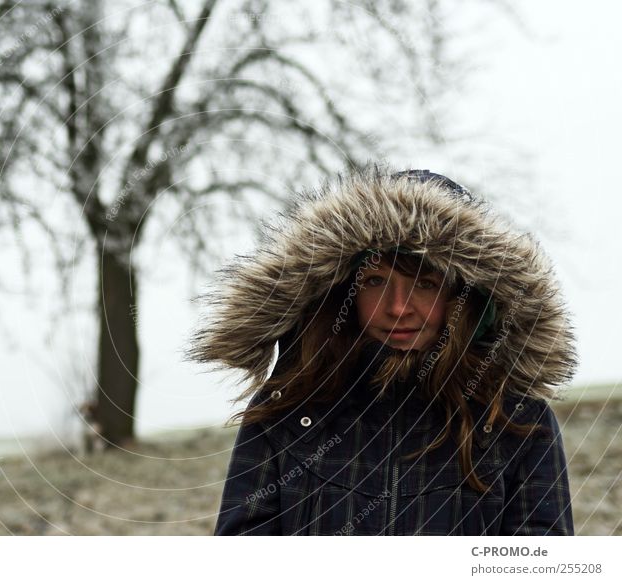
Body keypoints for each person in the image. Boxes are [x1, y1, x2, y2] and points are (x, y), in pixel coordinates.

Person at [187, 167, 578, 535]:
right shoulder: (288, 411)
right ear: (345, 292)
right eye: (375, 281)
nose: (397, 307)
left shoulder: (518, 424)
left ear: (467, 298)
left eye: (424, 283)